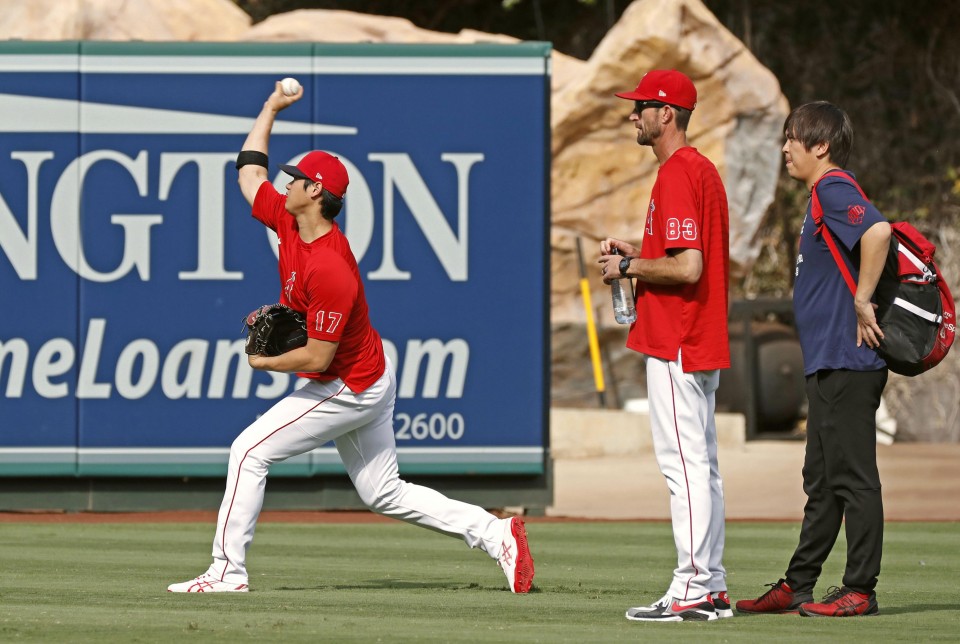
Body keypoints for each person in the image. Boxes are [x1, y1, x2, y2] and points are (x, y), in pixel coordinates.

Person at [167, 81, 534, 594]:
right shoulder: (289, 222)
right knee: (383, 492)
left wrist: (264, 362)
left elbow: (318, 356)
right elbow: (249, 172)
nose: (284, 181)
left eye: (295, 178)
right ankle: (498, 535)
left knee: (249, 451)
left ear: (315, 191)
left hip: (350, 384)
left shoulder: (332, 269)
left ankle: (227, 572)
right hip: (366, 373)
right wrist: (271, 107)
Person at [736, 101, 890, 617]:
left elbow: (877, 231)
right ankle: (798, 584)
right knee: (822, 483)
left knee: (854, 479)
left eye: (792, 138)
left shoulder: (832, 186)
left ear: (819, 146)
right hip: (829, 362)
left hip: (850, 359)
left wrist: (863, 299)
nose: (785, 147)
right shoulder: (818, 196)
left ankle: (860, 591)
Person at [598, 69, 731, 622]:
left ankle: (695, 586)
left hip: (678, 339)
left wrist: (628, 264)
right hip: (695, 336)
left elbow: (689, 266)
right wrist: (641, 250)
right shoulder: (700, 170)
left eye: (642, 106)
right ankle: (712, 585)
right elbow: (683, 256)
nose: (634, 114)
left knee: (684, 466)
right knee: (701, 466)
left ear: (666, 114)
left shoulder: (678, 172)